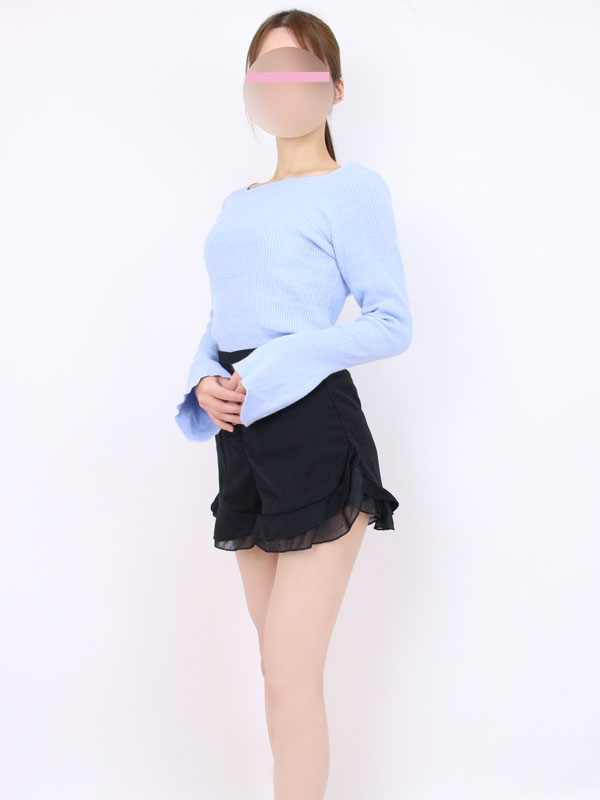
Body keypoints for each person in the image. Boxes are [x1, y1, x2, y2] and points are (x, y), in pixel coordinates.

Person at [174, 10, 413, 800]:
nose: (281, 88)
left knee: (289, 667)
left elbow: (390, 322)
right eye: (265, 73)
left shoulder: (352, 190)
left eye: (300, 71)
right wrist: (202, 377)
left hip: (313, 427)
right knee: (276, 674)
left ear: (334, 88)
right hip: (241, 433)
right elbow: (227, 318)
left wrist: (277, 362)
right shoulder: (237, 204)